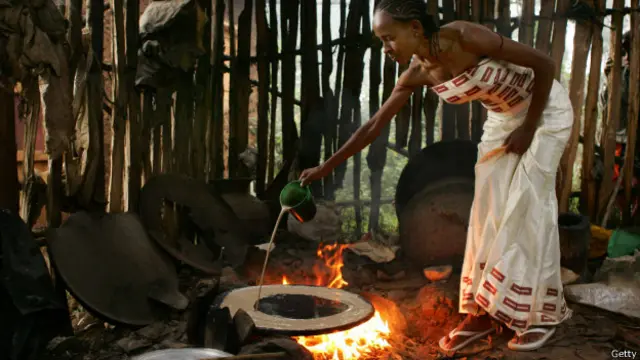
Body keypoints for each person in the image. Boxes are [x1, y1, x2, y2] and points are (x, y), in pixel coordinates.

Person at [299, 0, 573, 352]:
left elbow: (545, 65)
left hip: (544, 110)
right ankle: (483, 313)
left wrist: (530, 127)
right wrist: (325, 168)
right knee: (487, 213)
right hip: (505, 121)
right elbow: (371, 128)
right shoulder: (417, 74)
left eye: (389, 38)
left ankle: (538, 314)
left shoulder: (465, 37)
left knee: (527, 206)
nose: (386, 49)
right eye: (381, 41)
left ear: (415, 28)